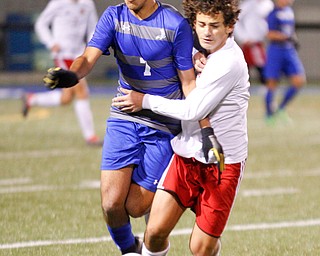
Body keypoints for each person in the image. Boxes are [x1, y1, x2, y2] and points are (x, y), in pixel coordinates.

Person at [41, 0, 216, 254]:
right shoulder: (114, 16)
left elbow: (189, 83)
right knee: (111, 204)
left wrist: (206, 128)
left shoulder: (174, 23)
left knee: (135, 206)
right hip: (124, 116)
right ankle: (129, 249)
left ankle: (154, 231)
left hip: (162, 125)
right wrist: (72, 75)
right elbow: (87, 58)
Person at [111, 0, 249, 255]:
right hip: (187, 156)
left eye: (215, 26)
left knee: (200, 248)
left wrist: (144, 101)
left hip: (222, 163)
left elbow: (193, 110)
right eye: (202, 24)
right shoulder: (201, 51)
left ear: (230, 27)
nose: (207, 32)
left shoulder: (228, 61)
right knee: (154, 233)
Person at [23, 0, 102, 146]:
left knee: (66, 98)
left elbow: (93, 28)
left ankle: (31, 99)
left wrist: (92, 47)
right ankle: (90, 137)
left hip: (79, 54)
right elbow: (40, 24)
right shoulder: (58, 3)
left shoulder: (87, 3)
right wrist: (51, 42)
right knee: (82, 91)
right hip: (62, 55)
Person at [264, 0, 306, 125]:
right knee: (272, 83)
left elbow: (290, 30)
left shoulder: (289, 11)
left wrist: (293, 39)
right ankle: (269, 115)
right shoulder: (273, 13)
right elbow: (270, 34)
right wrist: (285, 37)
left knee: (299, 81)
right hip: (276, 51)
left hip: (289, 51)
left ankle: (281, 108)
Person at [234, 0, 274, 84]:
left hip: (264, 42)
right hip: (250, 43)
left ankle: (266, 89)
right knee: (246, 68)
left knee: (262, 66)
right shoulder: (247, 5)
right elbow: (236, 20)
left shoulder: (269, 5)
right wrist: (244, 38)